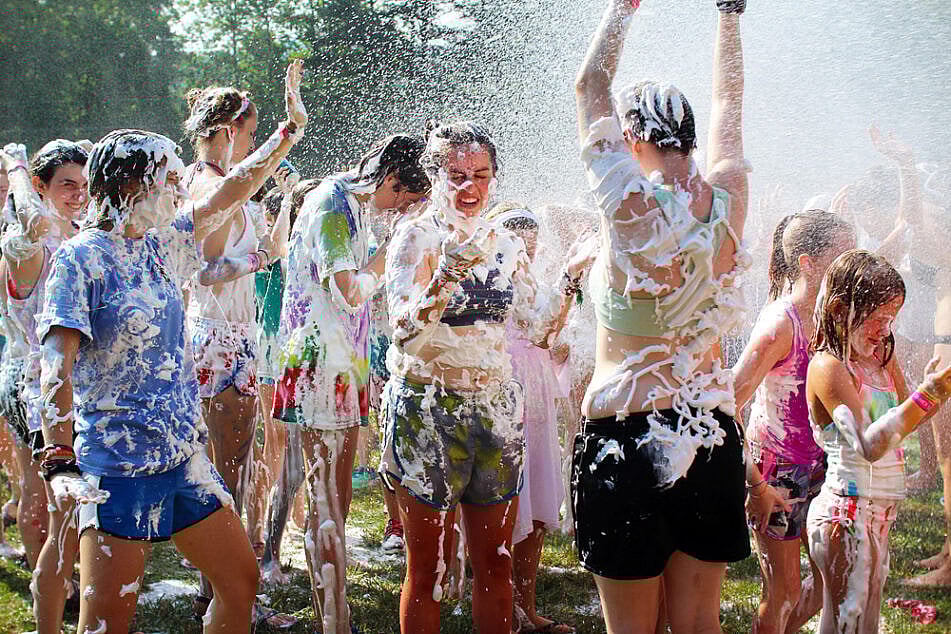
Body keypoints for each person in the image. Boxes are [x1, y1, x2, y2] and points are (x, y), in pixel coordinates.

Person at [31, 60, 307, 634]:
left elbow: (232, 190)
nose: (182, 188)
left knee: (240, 583)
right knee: (106, 622)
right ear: (133, 187)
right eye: (170, 180)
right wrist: (58, 459)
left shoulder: (165, 243)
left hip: (181, 455)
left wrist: (285, 134)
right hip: (117, 464)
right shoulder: (82, 260)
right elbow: (55, 363)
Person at [570, 0, 750, 632]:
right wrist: (729, 13)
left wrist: (622, 7)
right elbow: (731, 103)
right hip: (710, 436)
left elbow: (590, 83)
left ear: (632, 137)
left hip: (628, 437)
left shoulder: (625, 202)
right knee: (701, 624)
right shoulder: (728, 200)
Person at [379, 120, 596, 634]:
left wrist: (569, 277)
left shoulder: (505, 244)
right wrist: (446, 274)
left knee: (496, 563)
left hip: (495, 410)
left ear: (495, 177)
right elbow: (403, 331)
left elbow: (541, 327)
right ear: (434, 177)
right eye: (455, 175)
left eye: (480, 174)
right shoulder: (415, 236)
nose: (468, 187)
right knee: (428, 569)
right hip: (427, 409)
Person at [272, 135, 429, 633]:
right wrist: (386, 258)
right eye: (402, 200)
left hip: (341, 364)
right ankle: (333, 622)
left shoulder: (354, 207)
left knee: (333, 499)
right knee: (327, 500)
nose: (397, 212)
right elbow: (347, 292)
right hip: (320, 366)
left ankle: (334, 615)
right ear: (388, 180)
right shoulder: (333, 207)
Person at [804, 249, 951, 631]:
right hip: (845, 512)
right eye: (878, 318)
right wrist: (925, 396)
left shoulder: (881, 358)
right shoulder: (829, 367)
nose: (886, 330)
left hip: (879, 514)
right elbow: (870, 445)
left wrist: (932, 392)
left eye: (892, 318)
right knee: (846, 619)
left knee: (865, 619)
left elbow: (909, 420)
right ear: (840, 308)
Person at [732, 211, 854, 634]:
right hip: (777, 470)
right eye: (842, 251)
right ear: (808, 262)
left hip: (822, 466)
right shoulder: (780, 323)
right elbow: (727, 403)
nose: (852, 260)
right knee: (782, 591)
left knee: (829, 581)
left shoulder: (834, 316)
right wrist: (754, 485)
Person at [0, 139, 89, 634]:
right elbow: (33, 225)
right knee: (40, 500)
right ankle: (53, 605)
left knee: (62, 500)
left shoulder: (80, 233)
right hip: (31, 385)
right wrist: (14, 166)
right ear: (39, 188)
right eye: (66, 185)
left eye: (82, 184)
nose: (77, 194)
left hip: (63, 383)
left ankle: (63, 584)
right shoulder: (25, 241)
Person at [487, 202, 576, 634]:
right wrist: (571, 280)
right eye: (521, 246)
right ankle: (503, 608)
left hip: (537, 398)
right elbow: (537, 329)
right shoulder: (491, 282)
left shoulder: (536, 283)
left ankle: (528, 605)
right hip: (506, 397)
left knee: (537, 505)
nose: (529, 254)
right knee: (507, 505)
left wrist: (558, 351)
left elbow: (549, 335)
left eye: (534, 247)